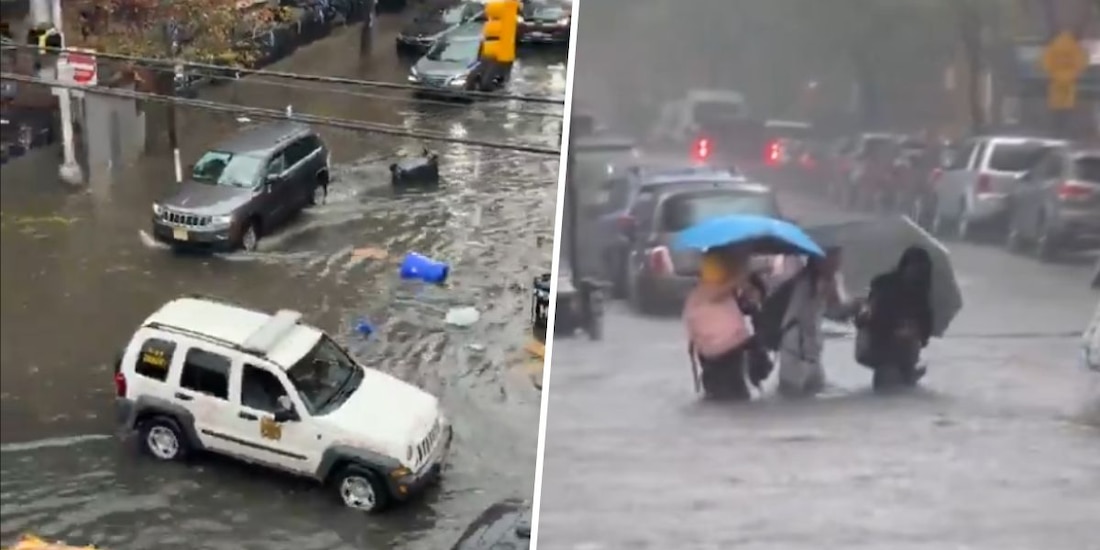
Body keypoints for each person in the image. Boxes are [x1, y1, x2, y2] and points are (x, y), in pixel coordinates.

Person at [774, 247, 858, 398]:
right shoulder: (809, 282)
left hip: (809, 348)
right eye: (834, 258)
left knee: (812, 390)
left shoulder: (824, 279)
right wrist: (852, 307)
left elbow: (835, 309)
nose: (838, 263)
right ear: (820, 260)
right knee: (795, 393)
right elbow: (834, 309)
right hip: (797, 348)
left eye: (839, 259)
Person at [856, 246, 934, 390]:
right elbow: (873, 319)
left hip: (902, 353)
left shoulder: (920, 295)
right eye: (916, 269)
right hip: (883, 350)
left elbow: (925, 332)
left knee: (895, 388)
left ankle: (909, 374)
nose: (917, 274)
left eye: (921, 271)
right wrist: (899, 331)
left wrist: (914, 332)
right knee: (890, 384)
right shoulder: (886, 287)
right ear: (905, 266)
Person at [685, 251, 753, 401]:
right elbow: (728, 286)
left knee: (722, 391)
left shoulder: (698, 295)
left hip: (714, 349)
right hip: (724, 347)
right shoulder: (710, 291)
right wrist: (742, 272)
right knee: (734, 392)